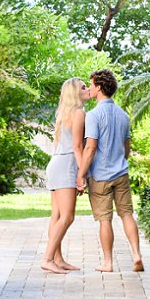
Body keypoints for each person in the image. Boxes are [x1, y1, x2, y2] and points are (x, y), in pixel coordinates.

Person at [77, 69, 144, 273]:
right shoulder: (123, 115)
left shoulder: (93, 115)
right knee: (127, 215)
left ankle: (107, 262)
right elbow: (127, 150)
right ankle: (136, 255)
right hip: (121, 174)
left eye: (91, 85)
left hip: (101, 177)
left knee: (105, 220)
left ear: (99, 87)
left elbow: (90, 148)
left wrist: (81, 174)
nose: (89, 88)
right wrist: (118, 161)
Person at [40, 79, 89, 274]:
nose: (87, 90)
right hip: (66, 164)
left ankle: (57, 259)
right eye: (83, 87)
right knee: (67, 217)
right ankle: (48, 258)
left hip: (56, 163)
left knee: (57, 216)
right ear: (76, 92)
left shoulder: (63, 113)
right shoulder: (78, 114)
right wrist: (81, 174)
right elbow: (77, 147)